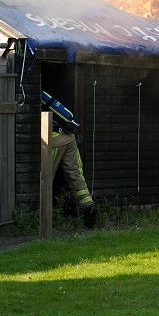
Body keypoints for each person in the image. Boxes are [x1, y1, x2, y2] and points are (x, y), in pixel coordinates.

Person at [43, 91, 98, 229]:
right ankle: (88, 206)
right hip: (69, 137)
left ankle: (42, 216)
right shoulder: (51, 99)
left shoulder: (32, 97)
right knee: (75, 173)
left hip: (54, 139)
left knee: (46, 176)